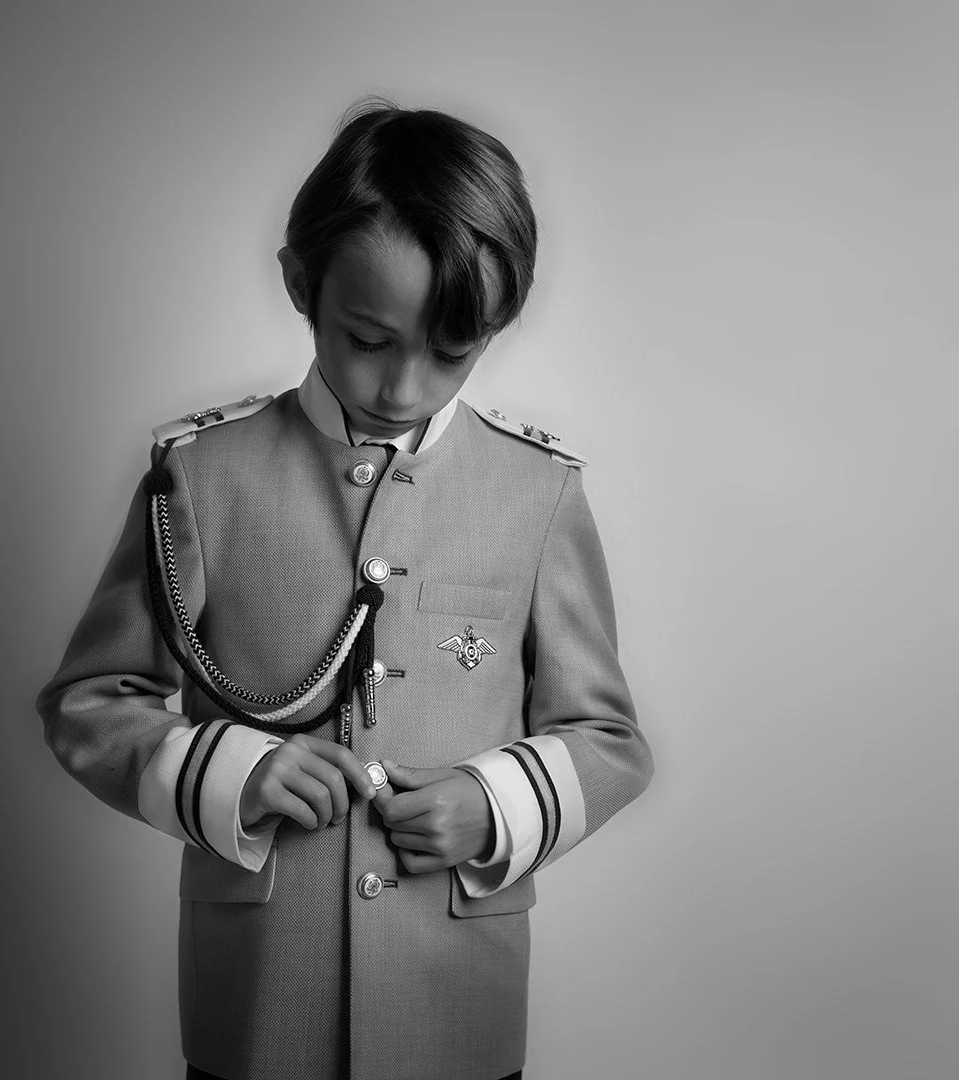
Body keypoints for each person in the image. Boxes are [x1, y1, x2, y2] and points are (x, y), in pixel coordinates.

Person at [37, 98, 655, 1080]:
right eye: (370, 338)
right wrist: (234, 774)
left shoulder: (539, 492)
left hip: (458, 1002)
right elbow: (90, 703)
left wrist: (494, 803)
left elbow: (609, 739)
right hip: (258, 1004)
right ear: (300, 281)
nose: (404, 389)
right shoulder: (203, 477)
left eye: (452, 352)